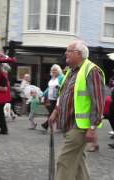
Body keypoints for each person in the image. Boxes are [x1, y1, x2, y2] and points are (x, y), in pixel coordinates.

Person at [49, 40, 105, 180]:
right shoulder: (71, 72)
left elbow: (98, 101)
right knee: (78, 163)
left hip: (79, 127)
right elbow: (64, 95)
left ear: (78, 53)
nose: (65, 53)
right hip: (69, 124)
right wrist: (56, 111)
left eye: (68, 50)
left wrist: (92, 127)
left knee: (64, 161)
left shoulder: (92, 71)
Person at [41, 64, 64, 130]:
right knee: (53, 112)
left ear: (58, 70)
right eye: (53, 70)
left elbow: (63, 86)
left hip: (57, 98)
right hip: (50, 98)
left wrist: (59, 86)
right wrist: (43, 94)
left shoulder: (61, 77)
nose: (54, 71)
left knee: (53, 112)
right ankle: (48, 125)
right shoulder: (52, 78)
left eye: (55, 70)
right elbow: (49, 88)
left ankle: (46, 125)